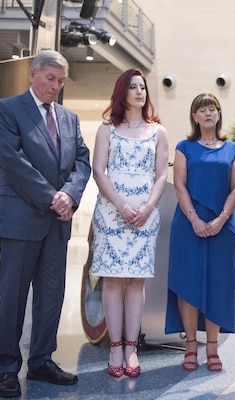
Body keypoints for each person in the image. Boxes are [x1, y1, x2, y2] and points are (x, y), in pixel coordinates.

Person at [0, 50, 91, 398]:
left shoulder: (69, 117)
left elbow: (81, 160)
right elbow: (11, 159)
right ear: (33, 75)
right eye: (50, 78)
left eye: (61, 81)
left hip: (56, 223)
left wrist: (70, 195)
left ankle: (42, 360)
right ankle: (6, 368)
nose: (55, 86)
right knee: (13, 297)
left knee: (51, 297)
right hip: (21, 218)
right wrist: (53, 197)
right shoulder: (7, 109)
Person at [91, 68, 169, 378]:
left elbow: (161, 174)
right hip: (112, 213)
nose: (140, 92)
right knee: (112, 280)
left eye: (143, 87)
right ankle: (115, 346)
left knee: (136, 281)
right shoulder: (106, 128)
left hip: (146, 214)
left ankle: (132, 347)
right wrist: (122, 206)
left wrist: (149, 207)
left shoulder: (158, 131)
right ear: (122, 91)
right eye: (133, 86)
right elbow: (99, 171)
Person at [165, 93, 235, 372]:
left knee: (218, 286)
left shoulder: (233, 148)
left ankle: (212, 348)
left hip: (223, 225)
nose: (208, 113)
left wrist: (222, 218)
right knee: (188, 284)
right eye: (202, 110)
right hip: (189, 223)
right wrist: (195, 218)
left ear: (219, 114)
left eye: (213, 109)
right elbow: (179, 185)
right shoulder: (184, 146)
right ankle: (189, 348)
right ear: (195, 117)